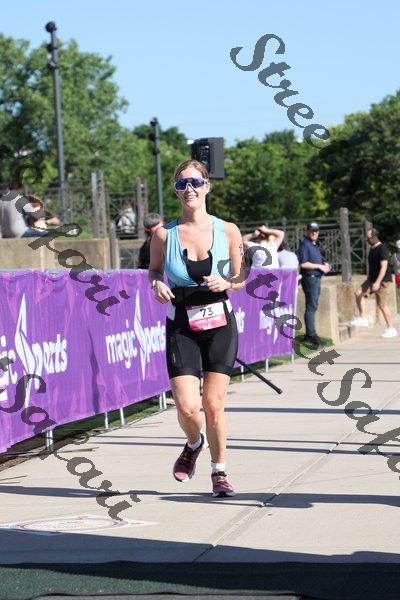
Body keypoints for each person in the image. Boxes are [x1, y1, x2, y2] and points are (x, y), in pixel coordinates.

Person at [148, 159, 244, 498]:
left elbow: (241, 276)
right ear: (175, 191)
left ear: (207, 186)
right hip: (181, 324)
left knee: (213, 405)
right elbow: (154, 270)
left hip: (220, 324)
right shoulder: (164, 234)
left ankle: (219, 471)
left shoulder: (228, 230)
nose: (189, 189)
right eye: (181, 184)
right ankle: (193, 443)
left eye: (195, 182)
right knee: (187, 406)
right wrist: (157, 284)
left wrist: (227, 282)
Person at [351, 228, 398, 338]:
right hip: (371, 279)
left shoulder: (382, 248)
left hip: (383, 280)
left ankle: (391, 328)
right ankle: (363, 318)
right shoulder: (372, 249)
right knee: (358, 293)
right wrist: (370, 281)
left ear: (374, 237)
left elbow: (384, 267)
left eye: (368, 238)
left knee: (382, 305)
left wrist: (377, 283)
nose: (366, 239)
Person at [298, 221, 331, 346]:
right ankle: (310, 335)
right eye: (312, 231)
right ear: (307, 231)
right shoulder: (305, 245)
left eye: (316, 231)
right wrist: (319, 266)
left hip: (316, 278)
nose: (314, 233)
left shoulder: (313, 245)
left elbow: (318, 261)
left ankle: (311, 334)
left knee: (313, 306)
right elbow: (303, 263)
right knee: (311, 307)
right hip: (310, 278)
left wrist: (325, 265)